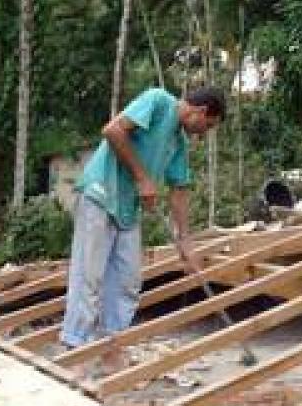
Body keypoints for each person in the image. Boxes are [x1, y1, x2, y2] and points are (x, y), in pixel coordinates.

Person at [60, 85, 226, 374]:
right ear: (200, 111)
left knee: (127, 280)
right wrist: (142, 178)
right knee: (89, 275)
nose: (204, 132)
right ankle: (75, 348)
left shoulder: (178, 142)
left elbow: (179, 189)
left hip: (128, 208)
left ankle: (111, 346)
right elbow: (113, 131)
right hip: (101, 194)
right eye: (208, 125)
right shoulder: (158, 101)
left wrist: (185, 240)